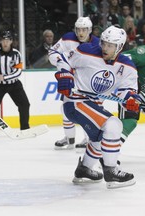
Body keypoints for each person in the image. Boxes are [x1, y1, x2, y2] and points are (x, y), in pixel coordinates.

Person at [55, 25, 138, 189]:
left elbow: (127, 90)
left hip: (93, 105)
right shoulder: (86, 50)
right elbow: (63, 60)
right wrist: (65, 75)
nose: (105, 48)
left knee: (101, 138)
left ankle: (84, 170)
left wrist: (130, 98)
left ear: (119, 47)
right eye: (104, 43)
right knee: (114, 125)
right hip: (75, 102)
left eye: (110, 45)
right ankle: (111, 171)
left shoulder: (127, 67)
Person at [49, 16, 99, 150]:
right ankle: (69, 138)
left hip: (88, 83)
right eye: (78, 29)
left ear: (89, 30)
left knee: (88, 111)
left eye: (84, 30)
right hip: (70, 80)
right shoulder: (68, 38)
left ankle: (89, 139)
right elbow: (53, 52)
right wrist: (61, 62)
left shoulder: (98, 43)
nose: (81, 33)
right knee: (65, 109)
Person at [0, 30, 30, 137]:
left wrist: (5, 77)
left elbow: (18, 71)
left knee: (25, 104)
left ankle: (25, 128)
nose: (5, 43)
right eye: (3, 40)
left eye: (8, 40)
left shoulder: (17, 54)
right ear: (0, 41)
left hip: (14, 85)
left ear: (11, 41)